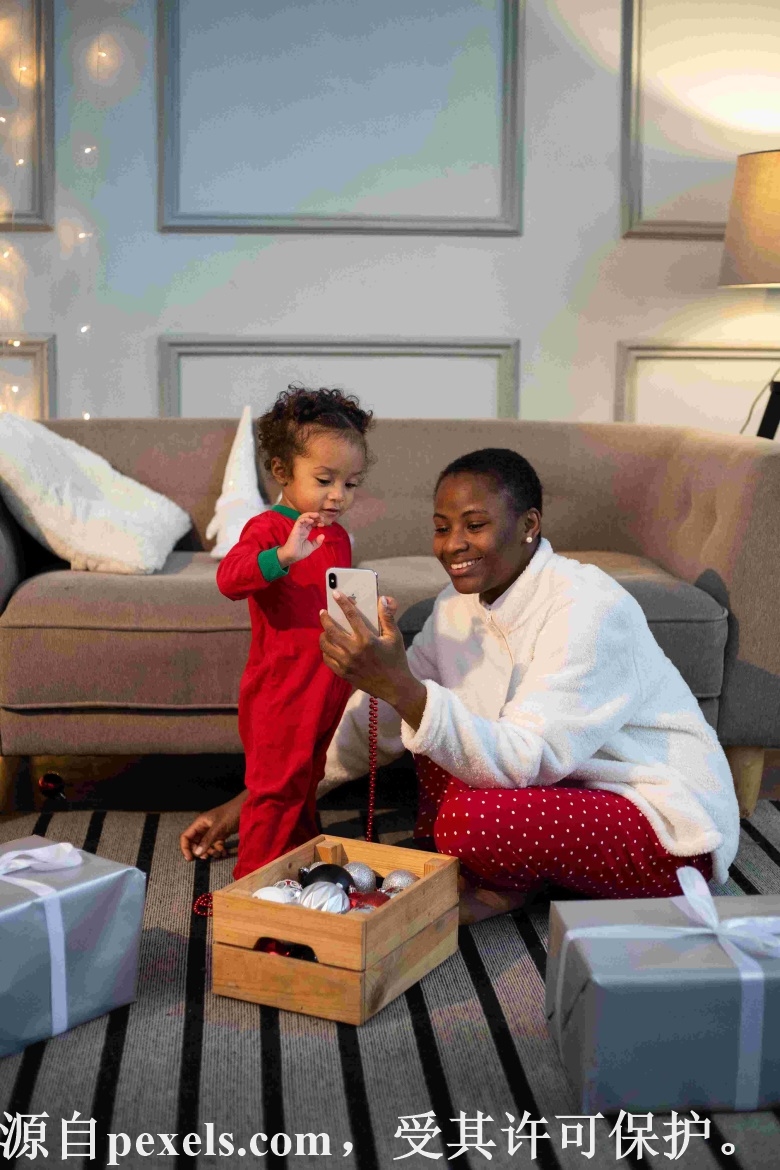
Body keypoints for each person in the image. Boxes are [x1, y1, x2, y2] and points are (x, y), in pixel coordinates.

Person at [183, 447, 740, 926]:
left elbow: (525, 758)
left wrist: (401, 686)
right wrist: (256, 798)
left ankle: (508, 884)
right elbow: (375, 723)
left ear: (529, 524)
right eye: (442, 527)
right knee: (428, 728)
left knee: (469, 818)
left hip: (659, 822)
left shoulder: (588, 607)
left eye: (474, 526)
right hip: (549, 786)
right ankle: (514, 874)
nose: (453, 545)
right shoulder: (457, 605)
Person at [179, 386, 372, 879]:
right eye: (325, 480)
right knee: (275, 791)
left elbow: (331, 601)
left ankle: (297, 867)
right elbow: (229, 579)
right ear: (282, 471)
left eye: (351, 483)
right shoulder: (267, 528)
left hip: (327, 684)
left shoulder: (338, 534)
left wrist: (366, 615)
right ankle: (254, 889)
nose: (339, 495)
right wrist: (284, 555)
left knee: (306, 782)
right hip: (282, 689)